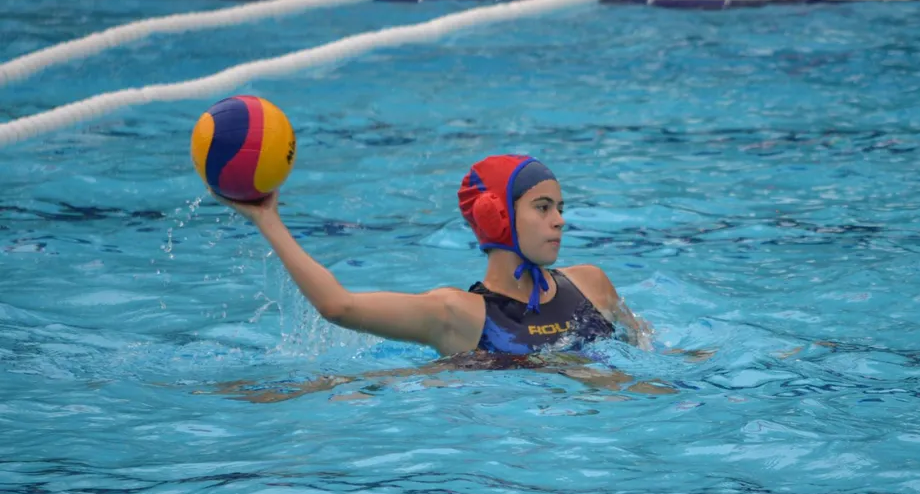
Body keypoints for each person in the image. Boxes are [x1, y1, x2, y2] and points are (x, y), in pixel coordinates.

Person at [219, 154, 652, 359]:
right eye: (543, 208)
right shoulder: (458, 315)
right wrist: (267, 219)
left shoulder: (591, 283)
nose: (559, 220)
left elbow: (647, 351)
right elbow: (339, 306)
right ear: (497, 215)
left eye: (560, 208)